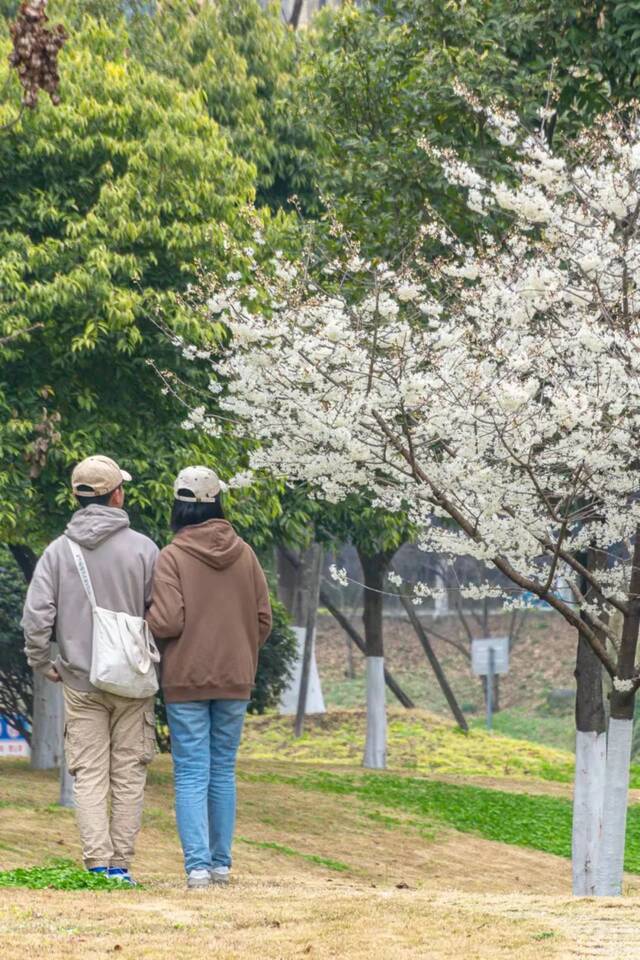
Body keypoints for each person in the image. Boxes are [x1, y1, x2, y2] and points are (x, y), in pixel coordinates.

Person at [22, 455, 159, 885]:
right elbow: (163, 614)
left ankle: (97, 865)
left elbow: (36, 619)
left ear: (77, 497)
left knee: (90, 773)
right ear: (116, 494)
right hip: (134, 682)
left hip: (80, 680)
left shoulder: (57, 553)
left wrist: (44, 662)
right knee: (129, 772)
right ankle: (121, 865)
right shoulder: (144, 549)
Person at [146, 466, 272, 890]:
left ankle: (197, 868)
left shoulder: (172, 556)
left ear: (178, 507)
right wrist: (241, 650)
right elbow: (263, 619)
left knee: (191, 772)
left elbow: (166, 621)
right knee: (222, 770)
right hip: (236, 676)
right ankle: (221, 865)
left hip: (186, 678)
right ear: (219, 502)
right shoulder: (246, 555)